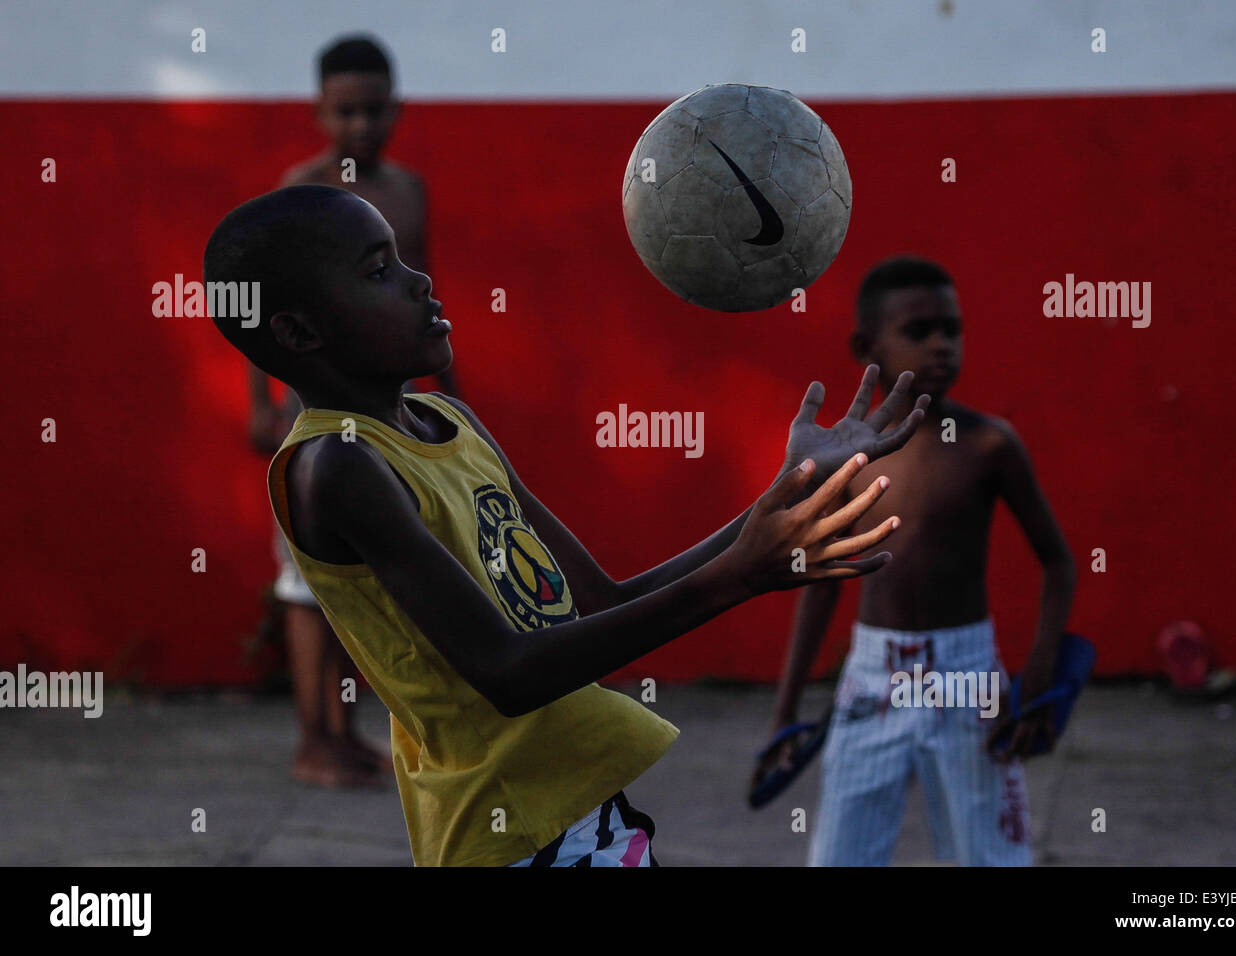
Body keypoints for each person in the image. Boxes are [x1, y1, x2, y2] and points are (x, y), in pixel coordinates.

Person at [204, 184, 930, 865]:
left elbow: (598, 604)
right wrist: (741, 576)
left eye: (403, 258)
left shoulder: (448, 421)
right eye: (378, 272)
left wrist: (790, 491)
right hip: (510, 830)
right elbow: (507, 672)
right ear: (299, 332)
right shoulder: (336, 464)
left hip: (577, 809)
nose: (419, 282)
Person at [766, 256, 1076, 866]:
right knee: (838, 858)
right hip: (870, 677)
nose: (941, 345)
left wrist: (1037, 679)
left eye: (952, 329)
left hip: (970, 680)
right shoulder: (843, 459)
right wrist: (786, 710)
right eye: (919, 331)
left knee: (991, 856)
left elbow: (1060, 563)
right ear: (865, 345)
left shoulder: (991, 445)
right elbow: (823, 580)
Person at [248, 35, 459, 788]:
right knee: (306, 586)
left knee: (358, 577)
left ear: (397, 107)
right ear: (319, 112)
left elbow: (422, 296)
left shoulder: (409, 192)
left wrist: (455, 401)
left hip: (390, 413)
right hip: (313, 413)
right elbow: (259, 305)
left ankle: (344, 730)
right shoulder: (298, 190)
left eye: (375, 109)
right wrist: (263, 405)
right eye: (347, 111)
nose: (362, 125)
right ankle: (312, 739)